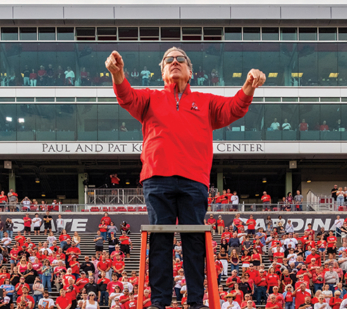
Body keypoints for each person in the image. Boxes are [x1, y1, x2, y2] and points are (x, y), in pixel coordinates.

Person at [107, 47, 265, 309]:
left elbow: (234, 108)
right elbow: (127, 97)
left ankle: (195, 301)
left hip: (194, 179)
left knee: (194, 240)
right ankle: (159, 301)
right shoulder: (149, 99)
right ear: (162, 71)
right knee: (160, 239)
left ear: (190, 71)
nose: (175, 62)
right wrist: (118, 74)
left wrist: (249, 85)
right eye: (169, 59)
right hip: (157, 177)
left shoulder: (206, 101)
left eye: (180, 59)